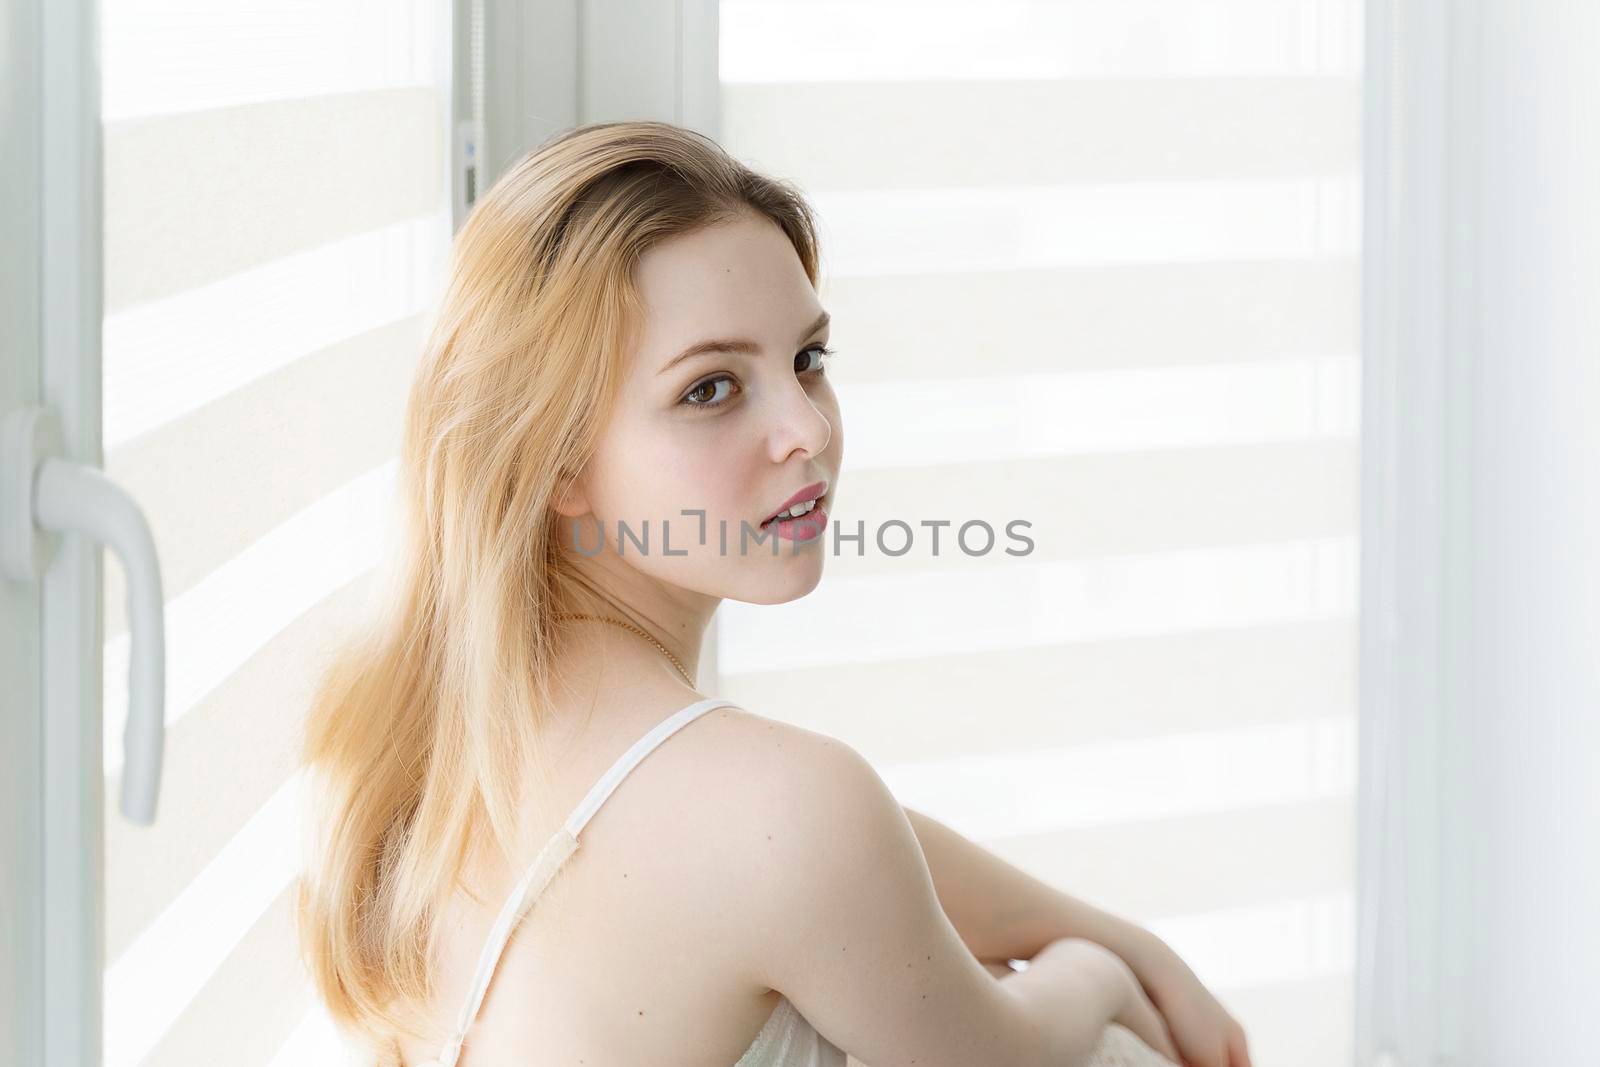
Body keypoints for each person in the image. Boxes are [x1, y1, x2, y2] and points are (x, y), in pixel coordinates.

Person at [295, 120, 1241, 1067]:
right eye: (710, 388)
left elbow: (839, 855)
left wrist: (1121, 936)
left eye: (808, 360)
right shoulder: (777, 806)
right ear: (554, 459)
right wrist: (1103, 971)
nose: (805, 428)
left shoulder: (431, 760)